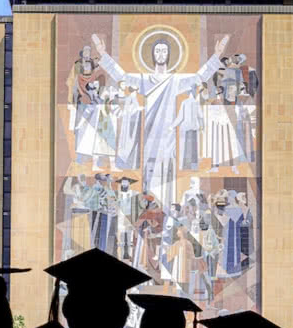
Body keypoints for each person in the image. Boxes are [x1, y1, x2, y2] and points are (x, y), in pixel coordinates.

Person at [92, 33, 229, 213]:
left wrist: (216, 56)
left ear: (169, 54)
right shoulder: (144, 80)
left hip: (168, 138)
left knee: (167, 176)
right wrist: (104, 55)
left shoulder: (175, 80)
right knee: (149, 176)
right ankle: (148, 213)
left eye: (164, 51)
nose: (161, 54)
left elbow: (198, 78)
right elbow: (122, 76)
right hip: (149, 137)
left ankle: (167, 213)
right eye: (158, 51)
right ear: (152, 54)